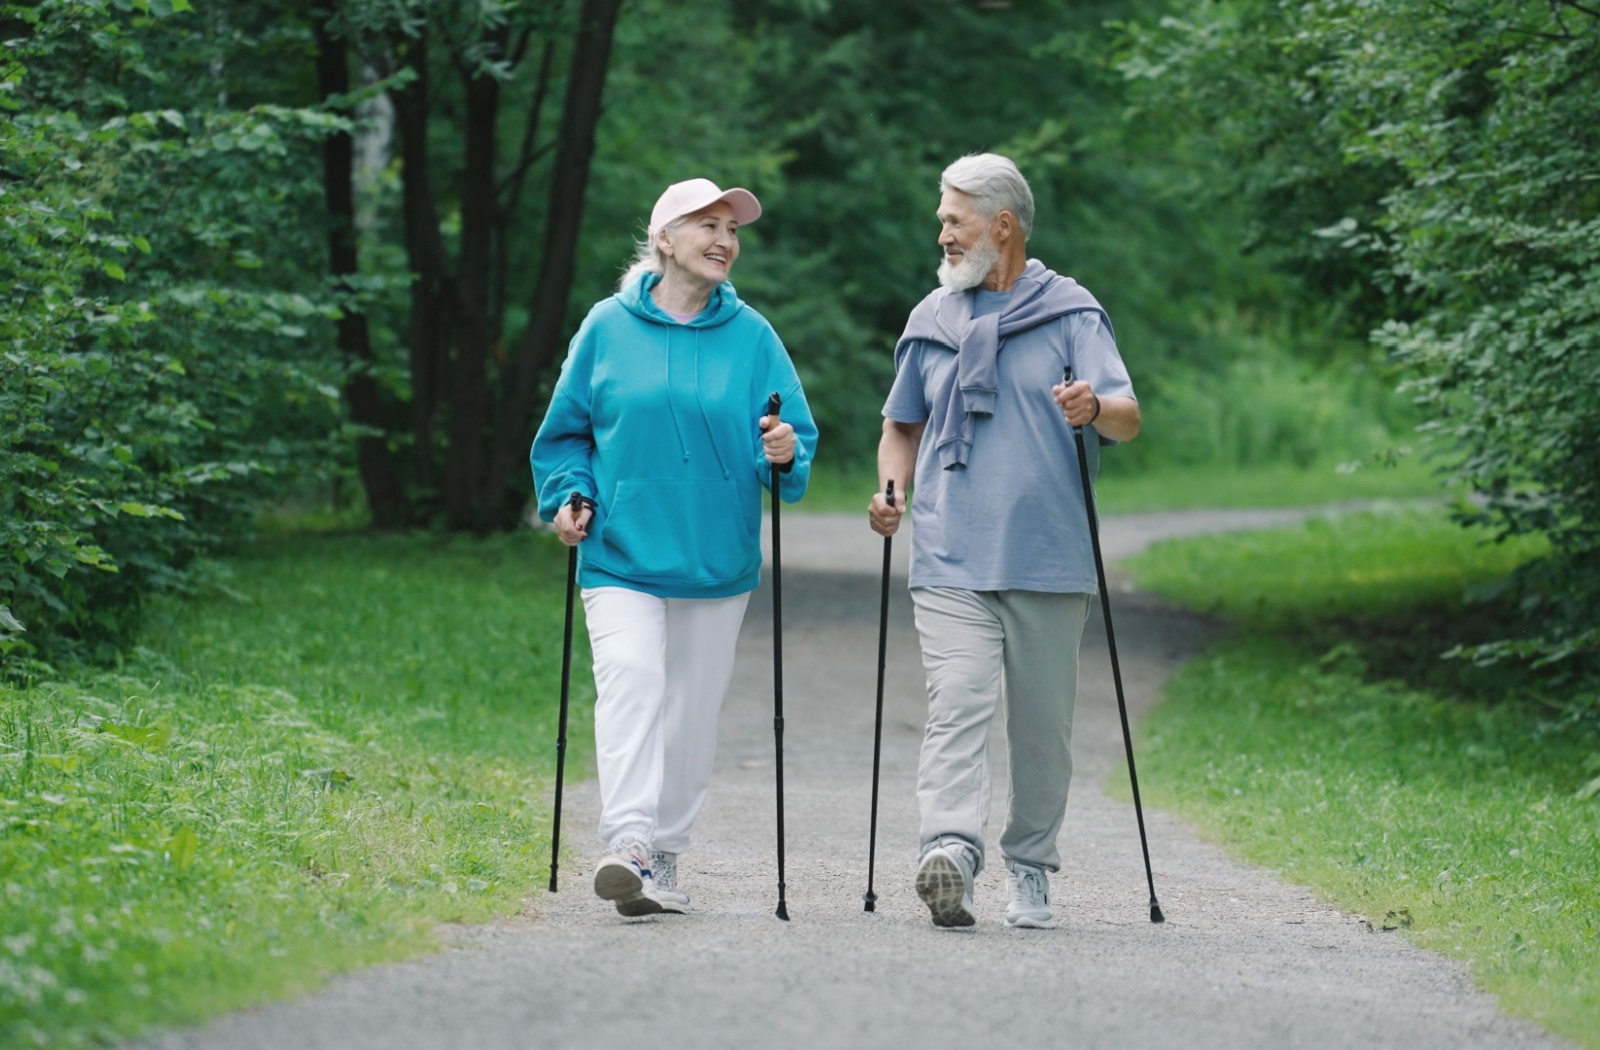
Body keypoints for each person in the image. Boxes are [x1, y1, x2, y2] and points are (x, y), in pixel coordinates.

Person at [530, 178, 817, 917]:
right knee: (631, 677)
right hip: (620, 549)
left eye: (732, 229)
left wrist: (782, 451)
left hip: (715, 559)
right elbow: (566, 434)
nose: (725, 240)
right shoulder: (606, 326)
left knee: (690, 711)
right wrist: (569, 495)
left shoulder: (753, 336)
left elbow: (793, 444)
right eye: (707, 225)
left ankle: (663, 855)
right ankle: (626, 842)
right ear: (663, 239)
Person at [868, 153, 1140, 929]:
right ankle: (950, 852)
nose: (944, 234)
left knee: (1041, 729)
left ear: (1003, 226)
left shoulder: (1072, 315)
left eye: (955, 220)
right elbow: (902, 425)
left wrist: (1093, 407)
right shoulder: (933, 319)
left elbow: (1127, 416)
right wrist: (892, 491)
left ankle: (1030, 866)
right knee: (955, 703)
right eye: (943, 221)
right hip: (951, 551)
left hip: (1048, 556)